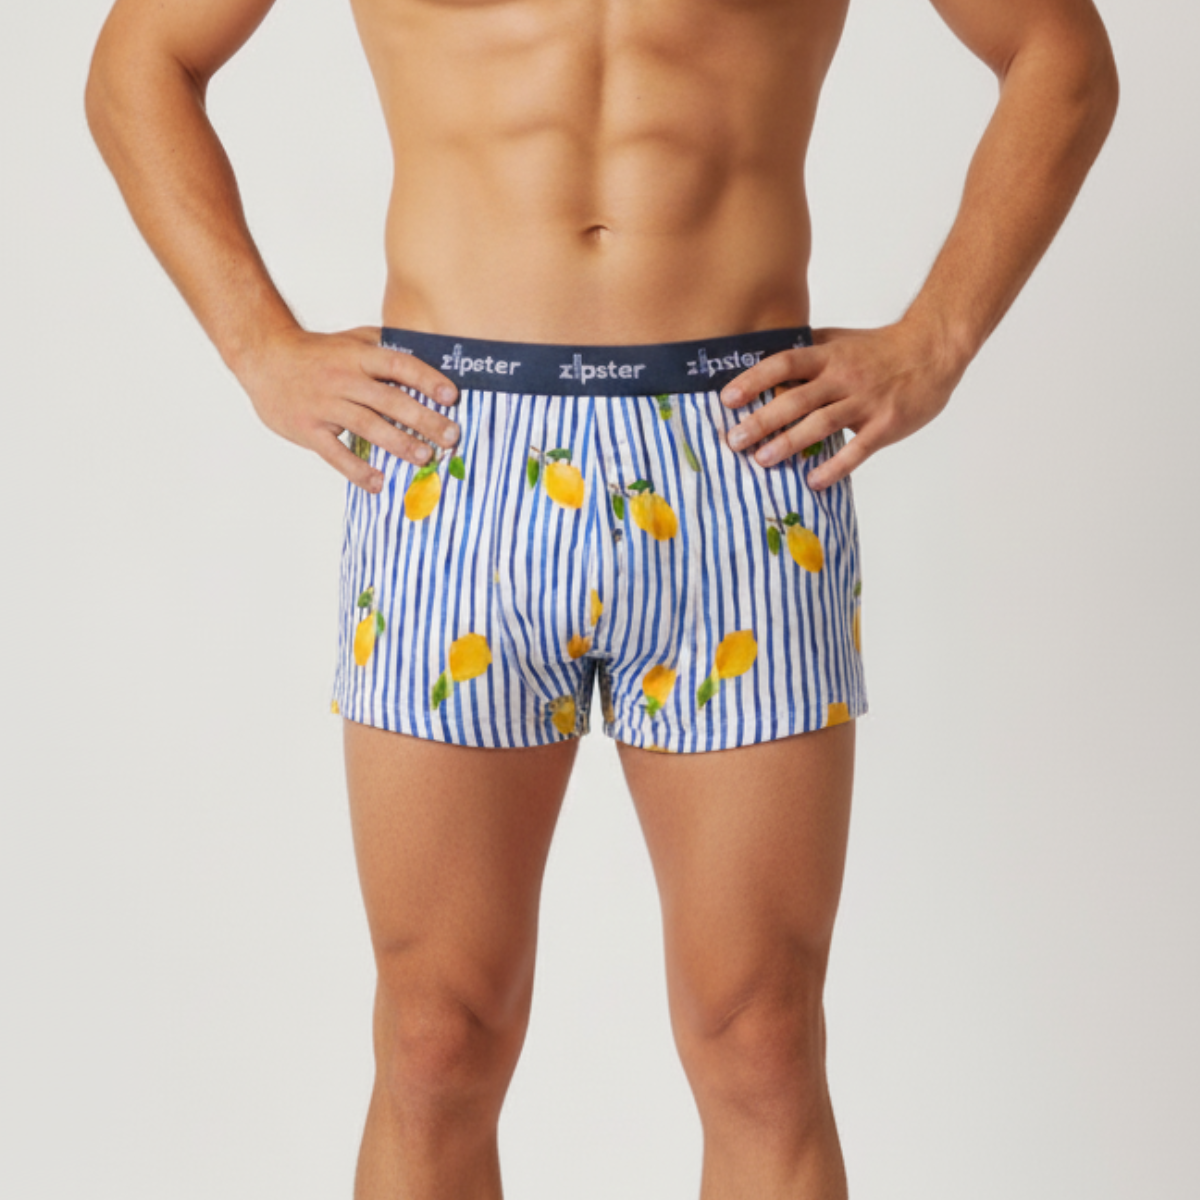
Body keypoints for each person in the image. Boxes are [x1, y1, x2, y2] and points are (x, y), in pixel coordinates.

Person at [85, 0, 1117, 1195]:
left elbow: (1061, 52)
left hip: (739, 452)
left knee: (762, 1041)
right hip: (452, 454)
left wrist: (937, 340)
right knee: (435, 1041)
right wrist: (257, 345)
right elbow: (138, 61)